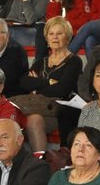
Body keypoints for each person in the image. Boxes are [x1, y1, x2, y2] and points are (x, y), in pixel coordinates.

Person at [16, 15, 83, 154]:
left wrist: (36, 88)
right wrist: (49, 82)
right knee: (27, 119)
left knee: (34, 120)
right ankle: (35, 161)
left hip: (62, 109)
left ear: (68, 37)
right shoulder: (42, 62)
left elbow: (62, 89)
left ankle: (49, 159)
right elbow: (24, 82)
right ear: (46, 38)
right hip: (41, 107)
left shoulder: (74, 61)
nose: (55, 37)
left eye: (59, 33)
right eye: (51, 34)